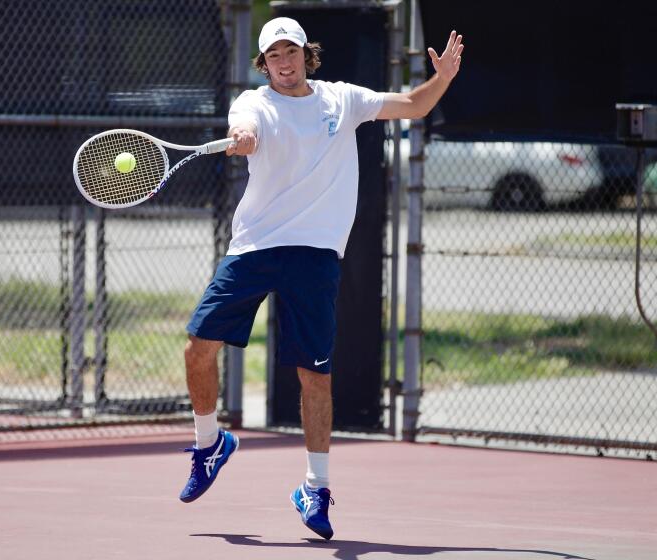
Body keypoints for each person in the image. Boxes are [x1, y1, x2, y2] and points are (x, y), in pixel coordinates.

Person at [178, 16, 464, 540]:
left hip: (315, 253)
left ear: (307, 55)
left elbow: (414, 106)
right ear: (263, 64)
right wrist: (241, 139)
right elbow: (244, 128)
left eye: (291, 53)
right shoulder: (253, 104)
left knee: (315, 376)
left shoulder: (343, 99)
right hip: (256, 246)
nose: (283, 63)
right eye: (273, 56)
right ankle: (209, 443)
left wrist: (441, 78)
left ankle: (316, 486)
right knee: (199, 346)